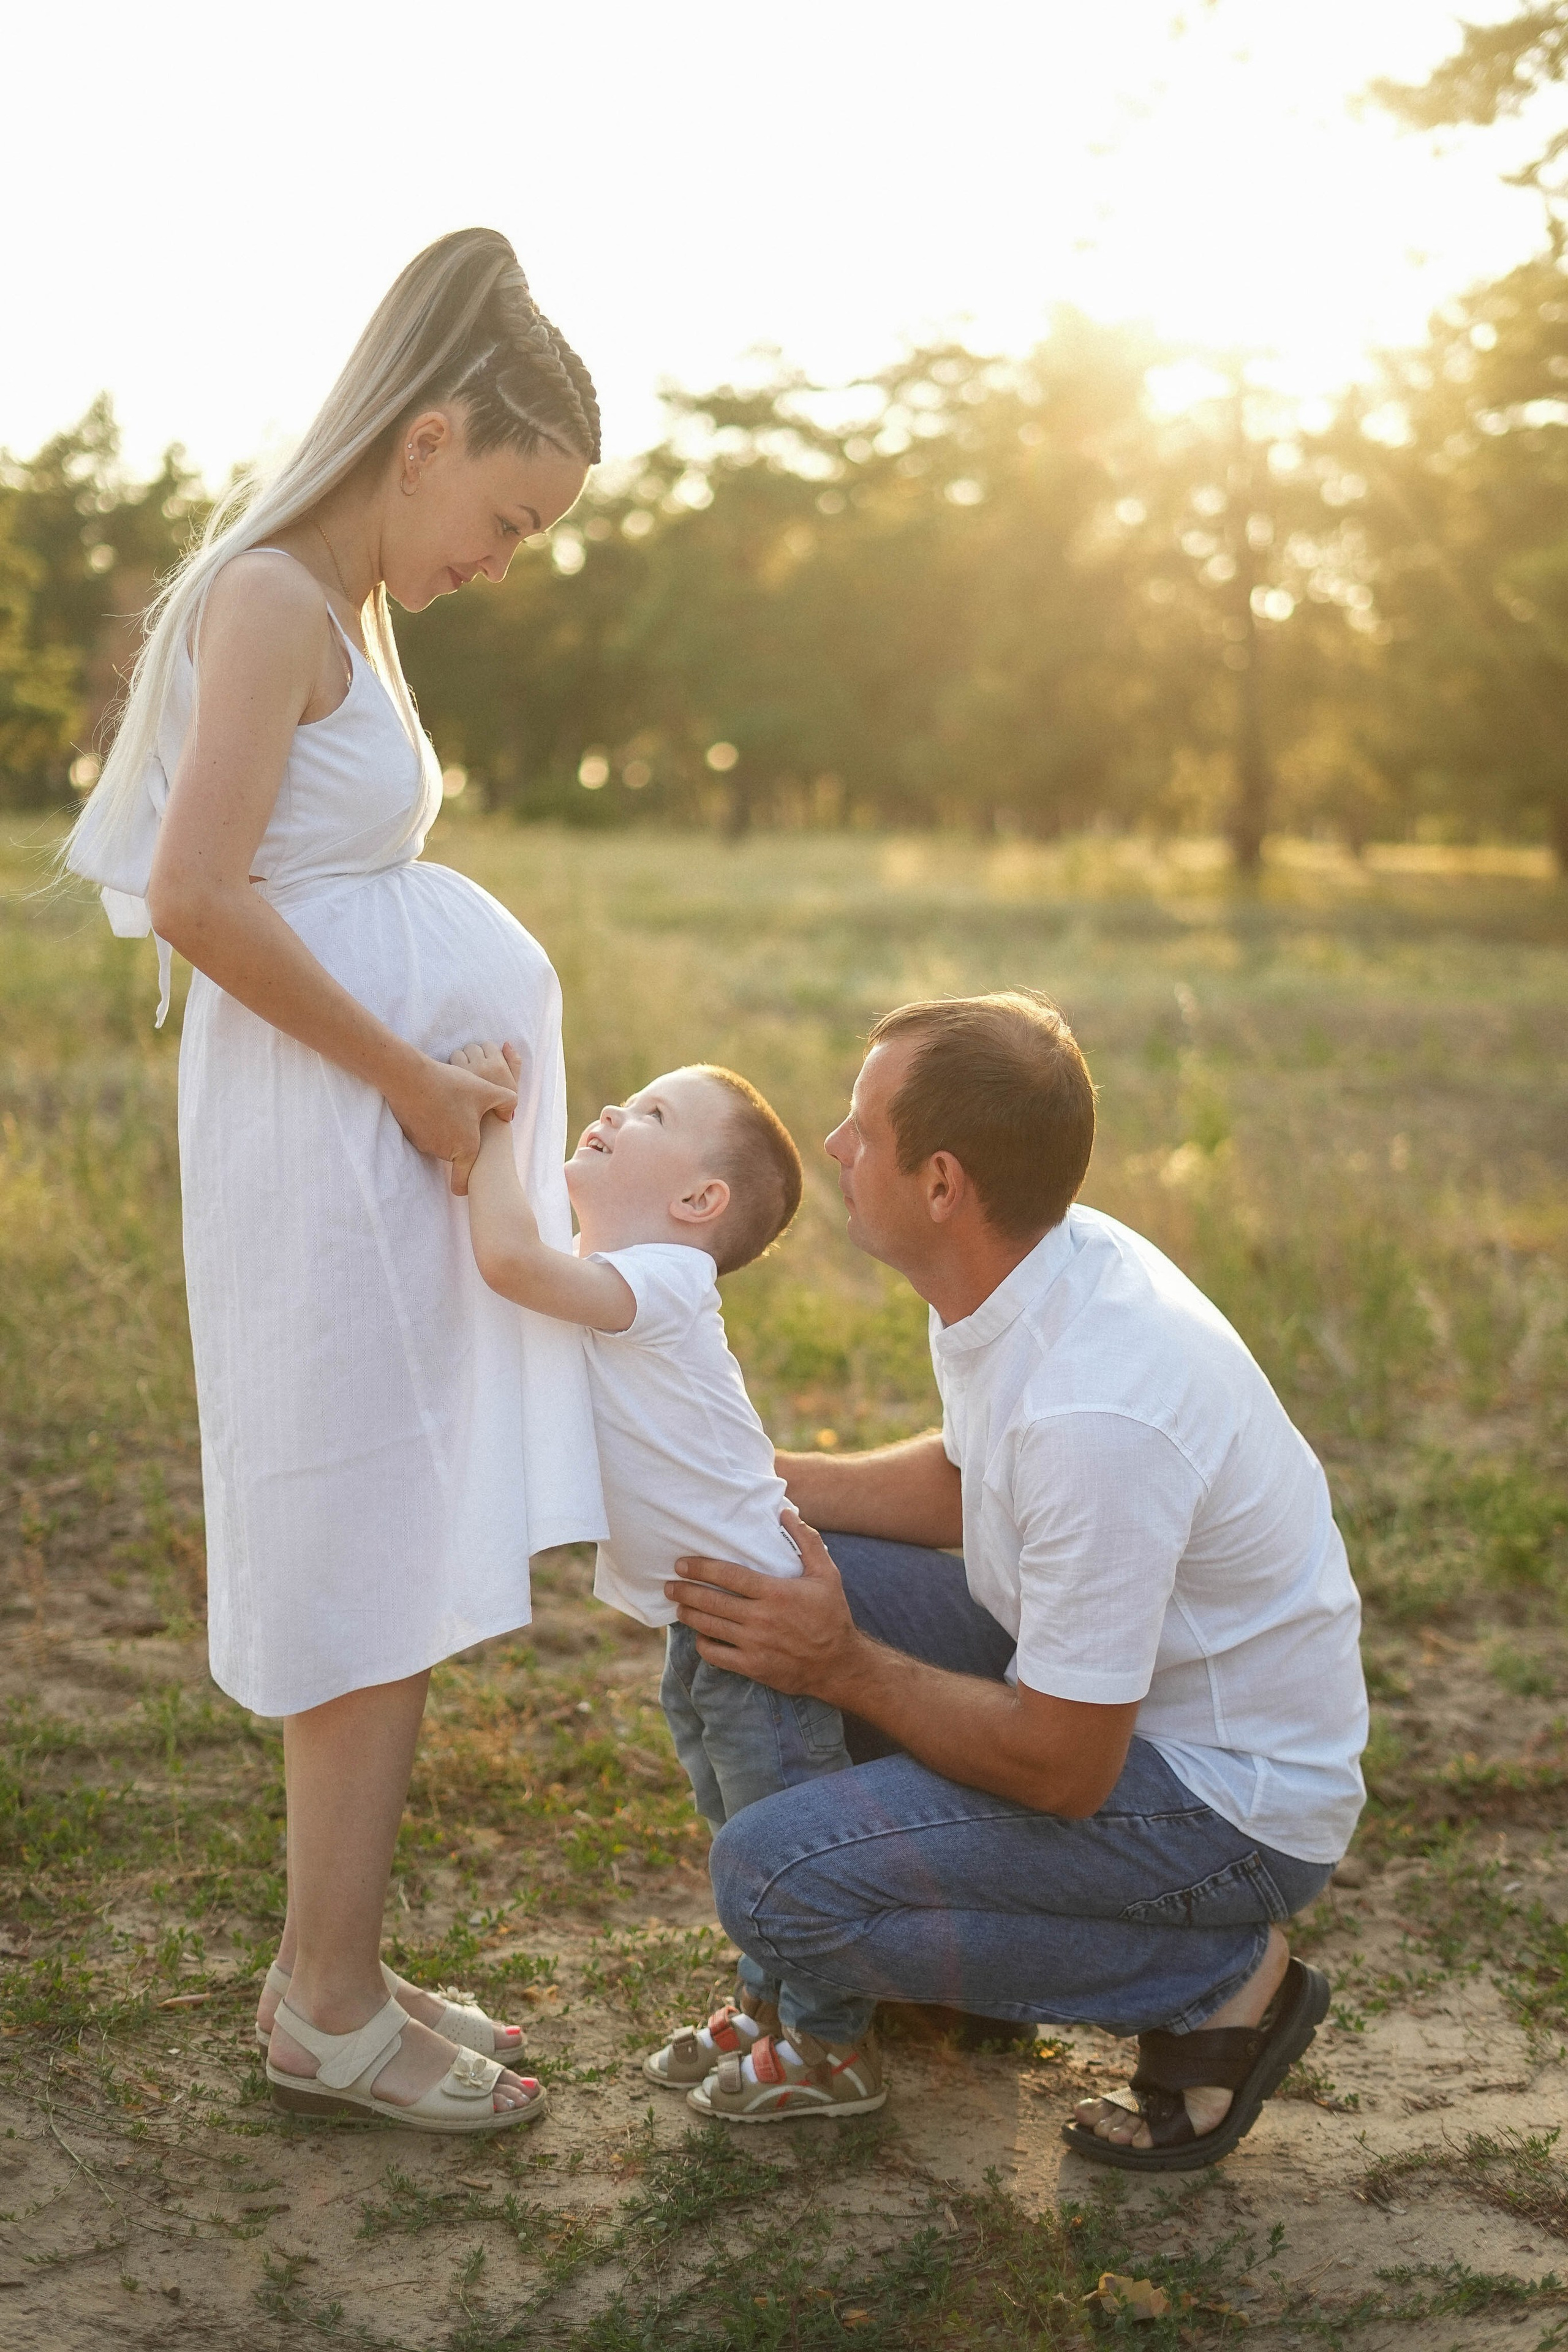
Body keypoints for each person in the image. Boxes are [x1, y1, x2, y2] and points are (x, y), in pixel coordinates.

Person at [65, 230, 609, 2134]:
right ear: (431, 431)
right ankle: (324, 2004)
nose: (502, 559)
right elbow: (203, 897)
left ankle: (338, 1972)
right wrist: (411, 1084)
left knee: (380, 1541)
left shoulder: (338, 601)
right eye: (510, 514)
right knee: (356, 1550)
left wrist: (435, 1081)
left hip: (366, 1138)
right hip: (328, 1142)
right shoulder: (278, 599)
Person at [663, 990, 1364, 2167]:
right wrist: (752, 1484)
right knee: (750, 1581)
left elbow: (1064, 1766)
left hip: (1219, 1802)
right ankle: (825, 2000)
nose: (834, 1146)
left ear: (942, 1183)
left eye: (860, 1125)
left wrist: (842, 1662)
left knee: (774, 1881)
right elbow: (970, 1479)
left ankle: (1218, 1982)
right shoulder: (1039, 1266)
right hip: (1101, 1702)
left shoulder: (1100, 1413)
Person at [453, 1044, 884, 2120]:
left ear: (700, 1199)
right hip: (707, 1625)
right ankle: (770, 2002)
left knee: (783, 1834)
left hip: (761, 1626)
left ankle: (832, 2047)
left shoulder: (667, 1280)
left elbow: (508, 1261)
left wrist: (489, 1123)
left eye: (648, 1113)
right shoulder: (624, 1282)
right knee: (739, 1831)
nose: (609, 1109)